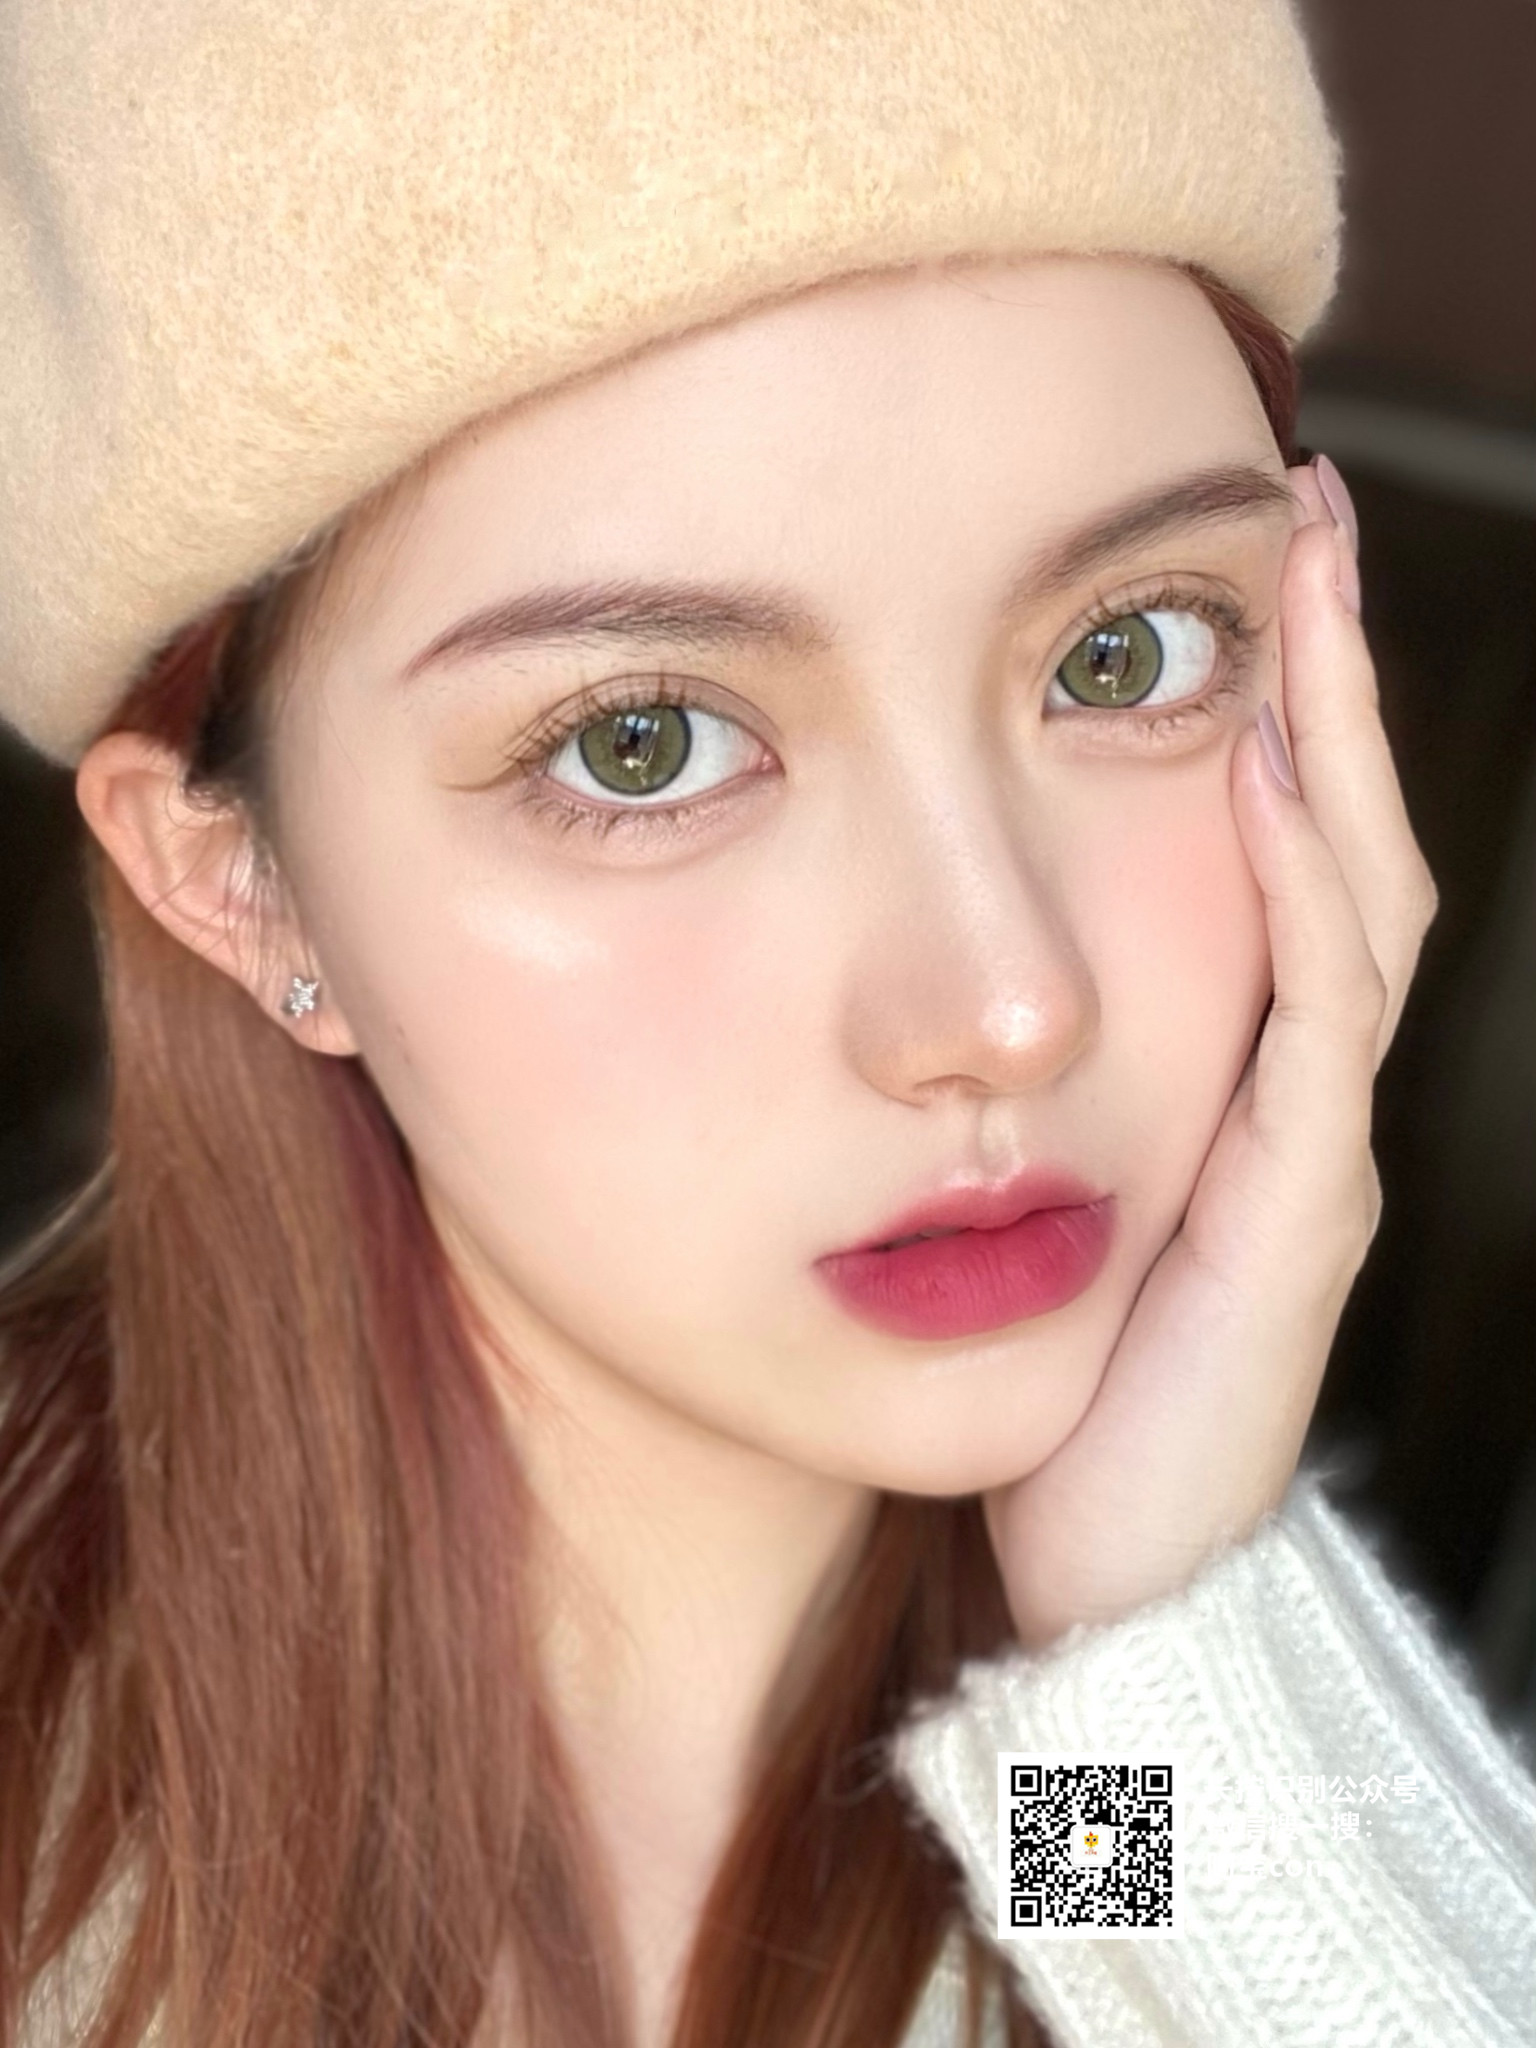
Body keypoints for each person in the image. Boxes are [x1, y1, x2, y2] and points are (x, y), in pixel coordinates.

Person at [0, 3, 1532, 2046]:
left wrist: (1157, 1642)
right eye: (640, 744)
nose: (1005, 1003)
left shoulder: (1104, 1823)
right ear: (238, 880)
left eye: (1129, 650)